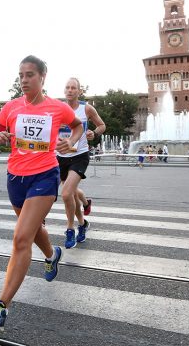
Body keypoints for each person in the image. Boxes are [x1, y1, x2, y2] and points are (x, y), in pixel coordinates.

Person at [0, 55, 84, 331]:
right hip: (16, 179)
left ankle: (0, 308)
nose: (24, 80)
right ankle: (51, 256)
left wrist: (70, 142)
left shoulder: (57, 107)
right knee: (33, 231)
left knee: (21, 238)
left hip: (44, 177)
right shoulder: (11, 107)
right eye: (21, 75)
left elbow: (77, 126)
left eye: (29, 75)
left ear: (42, 77)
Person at [57, 77, 106, 248]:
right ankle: (83, 221)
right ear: (64, 91)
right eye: (67, 87)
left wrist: (94, 132)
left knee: (65, 194)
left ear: (79, 91)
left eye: (73, 88)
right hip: (61, 156)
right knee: (71, 193)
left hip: (79, 156)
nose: (70, 90)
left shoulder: (87, 109)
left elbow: (102, 125)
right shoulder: (57, 108)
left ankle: (70, 229)